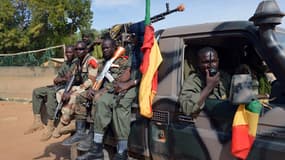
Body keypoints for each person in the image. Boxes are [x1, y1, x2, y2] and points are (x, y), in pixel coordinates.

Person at [76, 38, 138, 160]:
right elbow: (99, 79)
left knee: (117, 107)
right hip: (108, 91)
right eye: (103, 48)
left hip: (119, 90)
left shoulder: (123, 61)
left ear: (115, 47)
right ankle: (96, 146)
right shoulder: (105, 63)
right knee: (98, 101)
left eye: (107, 47)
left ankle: (122, 151)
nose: (104, 50)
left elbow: (122, 80)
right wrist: (93, 89)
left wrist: (103, 90)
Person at [24, 45, 77, 141]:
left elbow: (71, 79)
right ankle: (37, 122)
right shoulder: (66, 63)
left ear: (74, 53)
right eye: (67, 52)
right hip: (60, 85)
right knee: (36, 91)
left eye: (71, 52)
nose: (68, 54)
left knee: (51, 93)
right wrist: (63, 79)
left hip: (70, 87)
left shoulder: (76, 63)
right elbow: (56, 80)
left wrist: (62, 80)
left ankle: (51, 124)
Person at [53, 41, 99, 139]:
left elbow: (91, 80)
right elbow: (72, 77)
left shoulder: (91, 61)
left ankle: (64, 122)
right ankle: (68, 116)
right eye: (77, 49)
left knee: (73, 97)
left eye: (81, 49)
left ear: (86, 50)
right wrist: (67, 90)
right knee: (61, 93)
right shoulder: (78, 62)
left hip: (92, 88)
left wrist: (72, 92)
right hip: (81, 86)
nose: (78, 51)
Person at [179, 47, 231, 116]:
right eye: (205, 62)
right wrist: (209, 87)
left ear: (218, 61)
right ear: (198, 63)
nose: (210, 65)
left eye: (214, 61)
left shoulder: (225, 77)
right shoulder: (193, 80)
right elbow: (187, 109)